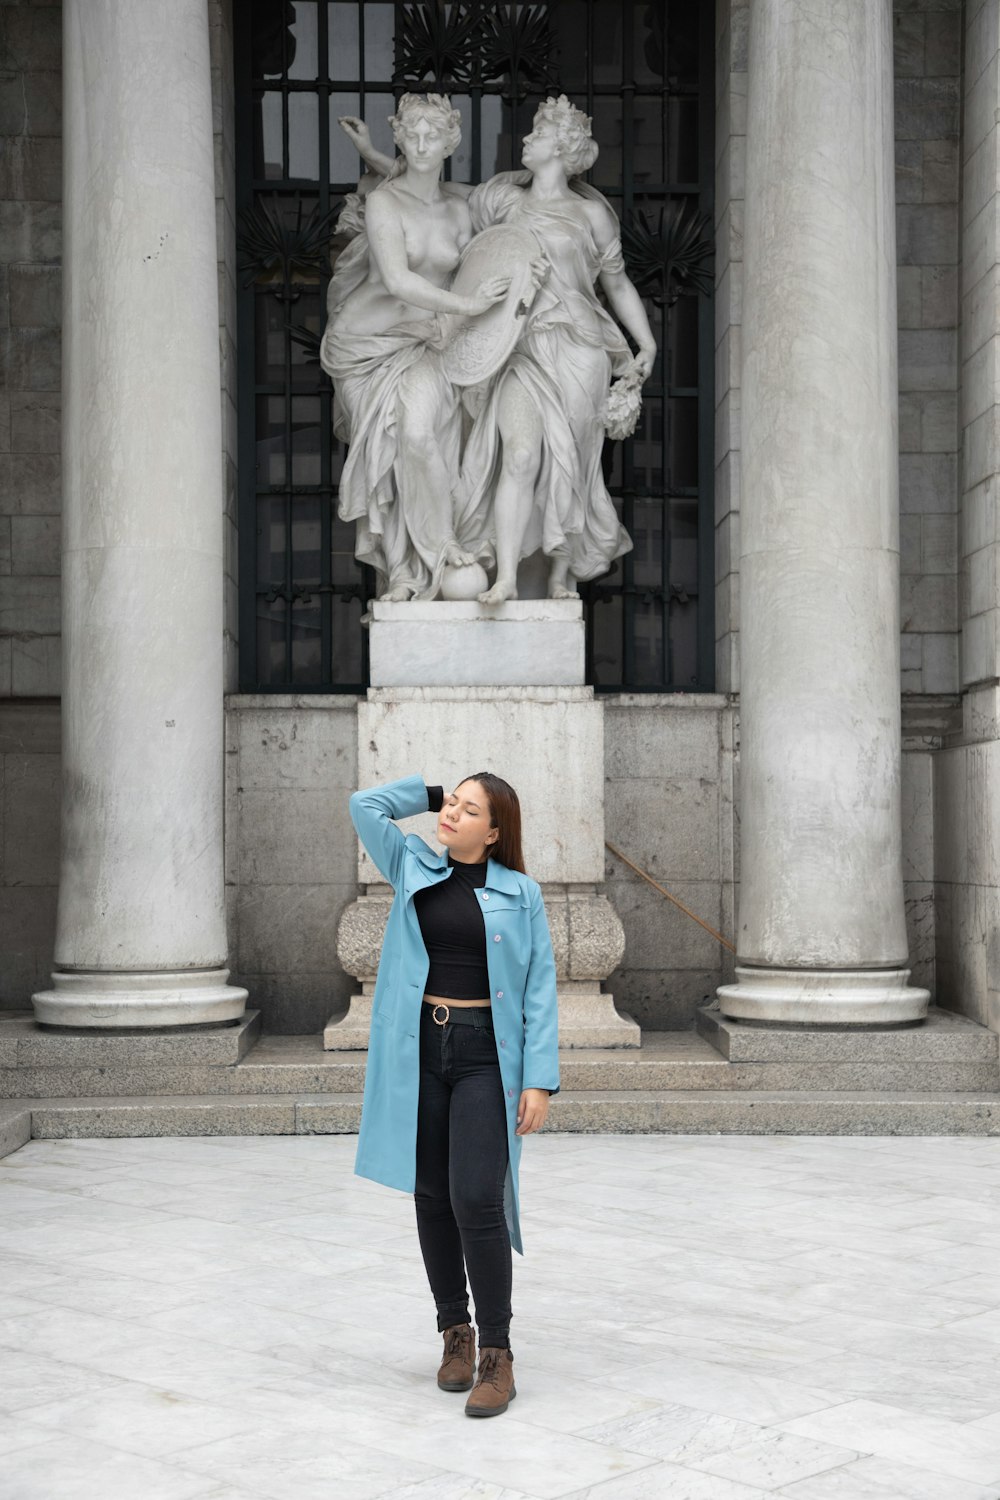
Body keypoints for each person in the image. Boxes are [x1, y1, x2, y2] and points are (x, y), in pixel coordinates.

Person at [343, 95, 657, 603]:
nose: (525, 140)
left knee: (568, 462)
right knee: (516, 451)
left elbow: (616, 284)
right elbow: (424, 183)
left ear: (562, 146)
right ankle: (481, 571)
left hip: (576, 347)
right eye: (530, 131)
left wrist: (646, 343)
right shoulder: (501, 202)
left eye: (537, 133)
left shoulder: (589, 214)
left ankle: (557, 574)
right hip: (507, 349)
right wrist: (376, 156)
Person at [348, 773, 560, 1417]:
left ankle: (497, 1352)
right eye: (455, 805)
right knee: (433, 1195)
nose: (454, 815)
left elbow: (539, 987)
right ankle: (455, 1334)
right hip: (420, 1053)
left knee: (476, 1195)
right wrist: (435, 794)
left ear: (494, 834)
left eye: (472, 811)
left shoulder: (519, 893)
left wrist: (539, 1079)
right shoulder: (411, 863)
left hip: (484, 1057)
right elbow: (365, 806)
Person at [320, 95, 509, 601]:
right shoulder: (384, 202)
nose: (423, 145)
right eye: (413, 136)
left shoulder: (462, 207)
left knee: (420, 434)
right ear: (400, 137)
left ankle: (441, 547)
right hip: (363, 346)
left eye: (434, 136)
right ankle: (401, 572)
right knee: (387, 450)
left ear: (452, 141)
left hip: (424, 344)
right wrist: (466, 305)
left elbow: (513, 221)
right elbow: (399, 280)